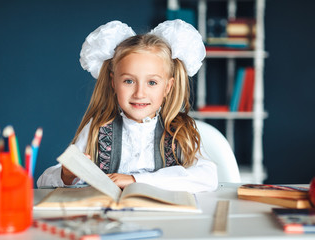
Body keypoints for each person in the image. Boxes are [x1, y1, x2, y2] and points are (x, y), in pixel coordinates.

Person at [37, 19, 218, 193]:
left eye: (152, 83)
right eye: (129, 81)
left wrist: (135, 180)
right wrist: (66, 175)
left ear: (167, 87)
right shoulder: (97, 128)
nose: (140, 93)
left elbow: (208, 176)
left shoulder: (179, 131)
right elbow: (43, 182)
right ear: (114, 82)